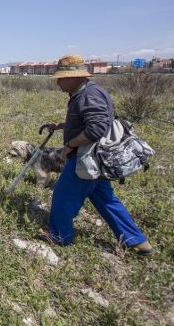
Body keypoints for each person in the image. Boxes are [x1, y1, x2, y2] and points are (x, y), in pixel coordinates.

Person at [42, 55, 153, 256]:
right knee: (106, 199)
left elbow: (96, 129)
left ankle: (59, 237)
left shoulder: (87, 96)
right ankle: (137, 241)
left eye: (61, 77)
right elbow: (91, 121)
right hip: (97, 160)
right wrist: (61, 126)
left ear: (74, 76)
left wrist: (69, 146)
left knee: (63, 197)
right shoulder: (88, 91)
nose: (58, 82)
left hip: (86, 159)